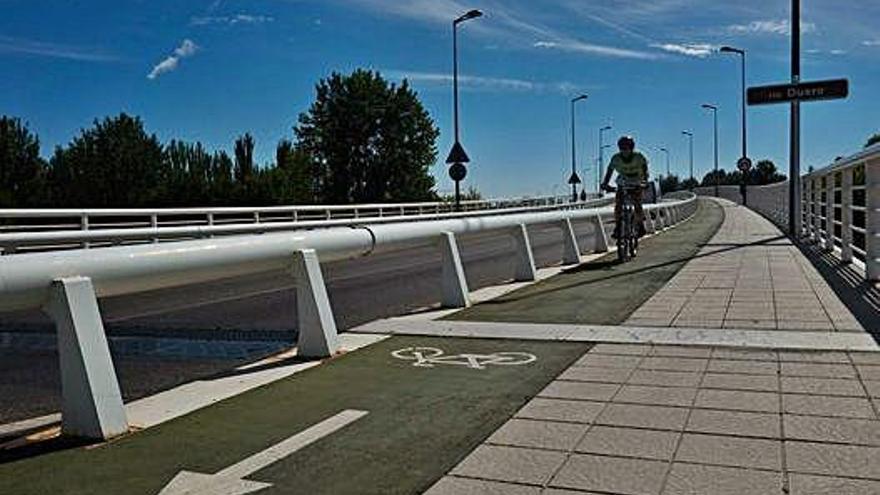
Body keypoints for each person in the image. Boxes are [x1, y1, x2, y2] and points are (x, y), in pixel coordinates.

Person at [600, 135, 649, 238]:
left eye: (628, 148)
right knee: (618, 203)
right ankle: (618, 227)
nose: (625, 150)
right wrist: (605, 183)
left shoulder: (638, 157)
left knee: (637, 203)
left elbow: (645, 170)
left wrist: (644, 181)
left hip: (637, 179)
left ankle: (640, 226)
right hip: (623, 179)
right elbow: (609, 172)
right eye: (622, 148)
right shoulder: (616, 158)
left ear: (632, 148)